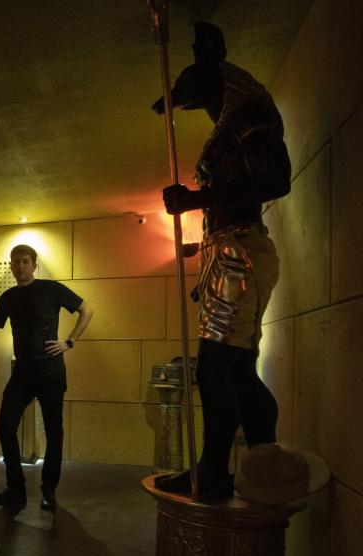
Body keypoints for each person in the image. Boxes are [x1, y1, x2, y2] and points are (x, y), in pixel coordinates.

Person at [152, 22, 291, 498]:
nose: (208, 111)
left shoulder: (252, 119)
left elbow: (275, 181)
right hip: (228, 252)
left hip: (239, 252)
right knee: (236, 370)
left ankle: (211, 472)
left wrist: (195, 200)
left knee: (215, 368)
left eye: (206, 100)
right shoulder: (237, 125)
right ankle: (262, 460)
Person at [0, 244, 93, 511]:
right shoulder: (9, 297)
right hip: (23, 373)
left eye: (26, 261)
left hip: (50, 371)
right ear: (11, 266)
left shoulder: (52, 289)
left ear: (34, 264)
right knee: (5, 426)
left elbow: (87, 309)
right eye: (16, 262)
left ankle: (49, 491)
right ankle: (16, 490)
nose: (21, 266)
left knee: (54, 431)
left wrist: (70, 342)